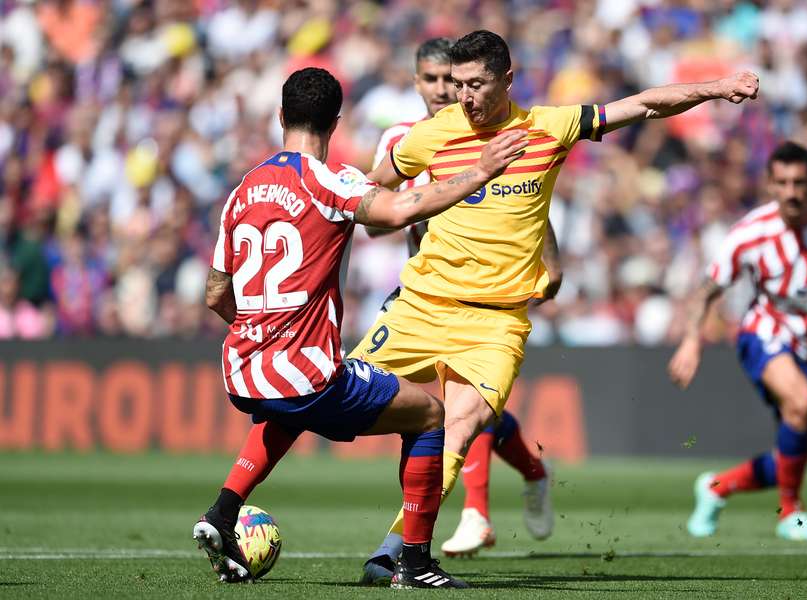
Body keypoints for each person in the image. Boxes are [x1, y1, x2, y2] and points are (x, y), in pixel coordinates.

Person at [354, 29, 759, 580]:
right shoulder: (426, 135)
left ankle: (399, 549)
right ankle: (231, 503)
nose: (462, 95)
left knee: (463, 423)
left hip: (495, 316)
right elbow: (367, 197)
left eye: (475, 84)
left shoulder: (548, 127)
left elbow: (642, 105)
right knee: (335, 393)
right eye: (454, 84)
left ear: (506, 80)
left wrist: (717, 86)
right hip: (423, 302)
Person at [191, 66, 528, 589]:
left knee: (290, 406)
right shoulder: (332, 181)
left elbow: (215, 293)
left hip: (241, 367)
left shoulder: (242, 191)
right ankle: (414, 563)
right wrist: (480, 170)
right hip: (306, 370)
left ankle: (221, 511)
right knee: (430, 415)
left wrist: (260, 331)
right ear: (336, 122)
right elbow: (399, 209)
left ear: (281, 116)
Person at [363, 38, 557, 570]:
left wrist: (549, 258)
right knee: (413, 407)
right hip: (420, 293)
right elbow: (376, 214)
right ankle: (532, 473)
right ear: (417, 83)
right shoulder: (409, 139)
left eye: (451, 81)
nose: (443, 91)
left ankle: (470, 512)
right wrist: (423, 199)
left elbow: (529, 198)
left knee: (465, 412)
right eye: (432, 80)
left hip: (485, 290)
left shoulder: (495, 132)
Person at [669, 142, 807, 541]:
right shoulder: (751, 232)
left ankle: (717, 487)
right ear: (769, 184)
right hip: (762, 334)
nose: (791, 191)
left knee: (794, 447)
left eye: (800, 182)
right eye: (782, 182)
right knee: (801, 405)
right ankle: (792, 514)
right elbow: (706, 291)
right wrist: (690, 341)